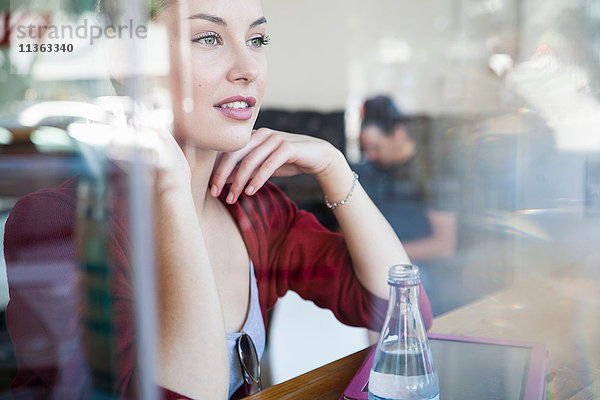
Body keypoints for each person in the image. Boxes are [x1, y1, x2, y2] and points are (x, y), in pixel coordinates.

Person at [3, 3, 433, 400]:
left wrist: (335, 171)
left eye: (257, 40)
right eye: (208, 38)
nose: (248, 69)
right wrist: (171, 186)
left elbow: (400, 316)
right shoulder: (57, 223)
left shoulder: (252, 206)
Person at [356, 96, 457, 313]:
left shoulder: (433, 174)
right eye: (365, 148)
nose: (370, 156)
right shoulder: (367, 171)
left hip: (414, 268)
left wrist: (385, 256)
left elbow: (444, 244)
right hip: (366, 262)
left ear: (399, 134)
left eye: (375, 147)